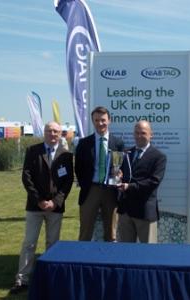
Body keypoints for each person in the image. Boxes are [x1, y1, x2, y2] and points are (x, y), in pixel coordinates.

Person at [10, 121, 74, 294]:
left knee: (52, 244)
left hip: (55, 208)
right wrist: (39, 200)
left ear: (60, 134)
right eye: (49, 131)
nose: (52, 134)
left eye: (56, 131)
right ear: (44, 132)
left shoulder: (66, 155)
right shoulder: (33, 151)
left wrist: (56, 201)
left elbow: (68, 182)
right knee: (29, 243)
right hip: (34, 206)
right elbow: (27, 177)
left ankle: (50, 278)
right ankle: (22, 279)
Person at [75, 106, 124, 242]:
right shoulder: (84, 143)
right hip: (91, 190)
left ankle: (109, 261)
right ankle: (83, 261)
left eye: (103, 120)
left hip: (111, 191)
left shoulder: (118, 143)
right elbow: (78, 167)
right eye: (96, 120)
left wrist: (119, 176)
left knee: (111, 234)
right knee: (85, 232)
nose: (100, 123)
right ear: (93, 121)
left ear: (109, 120)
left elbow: (121, 166)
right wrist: (85, 184)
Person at [117, 121, 167, 243]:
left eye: (143, 133)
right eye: (137, 133)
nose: (139, 136)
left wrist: (129, 186)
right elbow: (122, 175)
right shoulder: (126, 153)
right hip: (126, 211)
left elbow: (153, 182)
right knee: (126, 253)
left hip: (144, 212)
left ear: (151, 135)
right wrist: (118, 176)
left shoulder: (159, 157)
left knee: (148, 255)